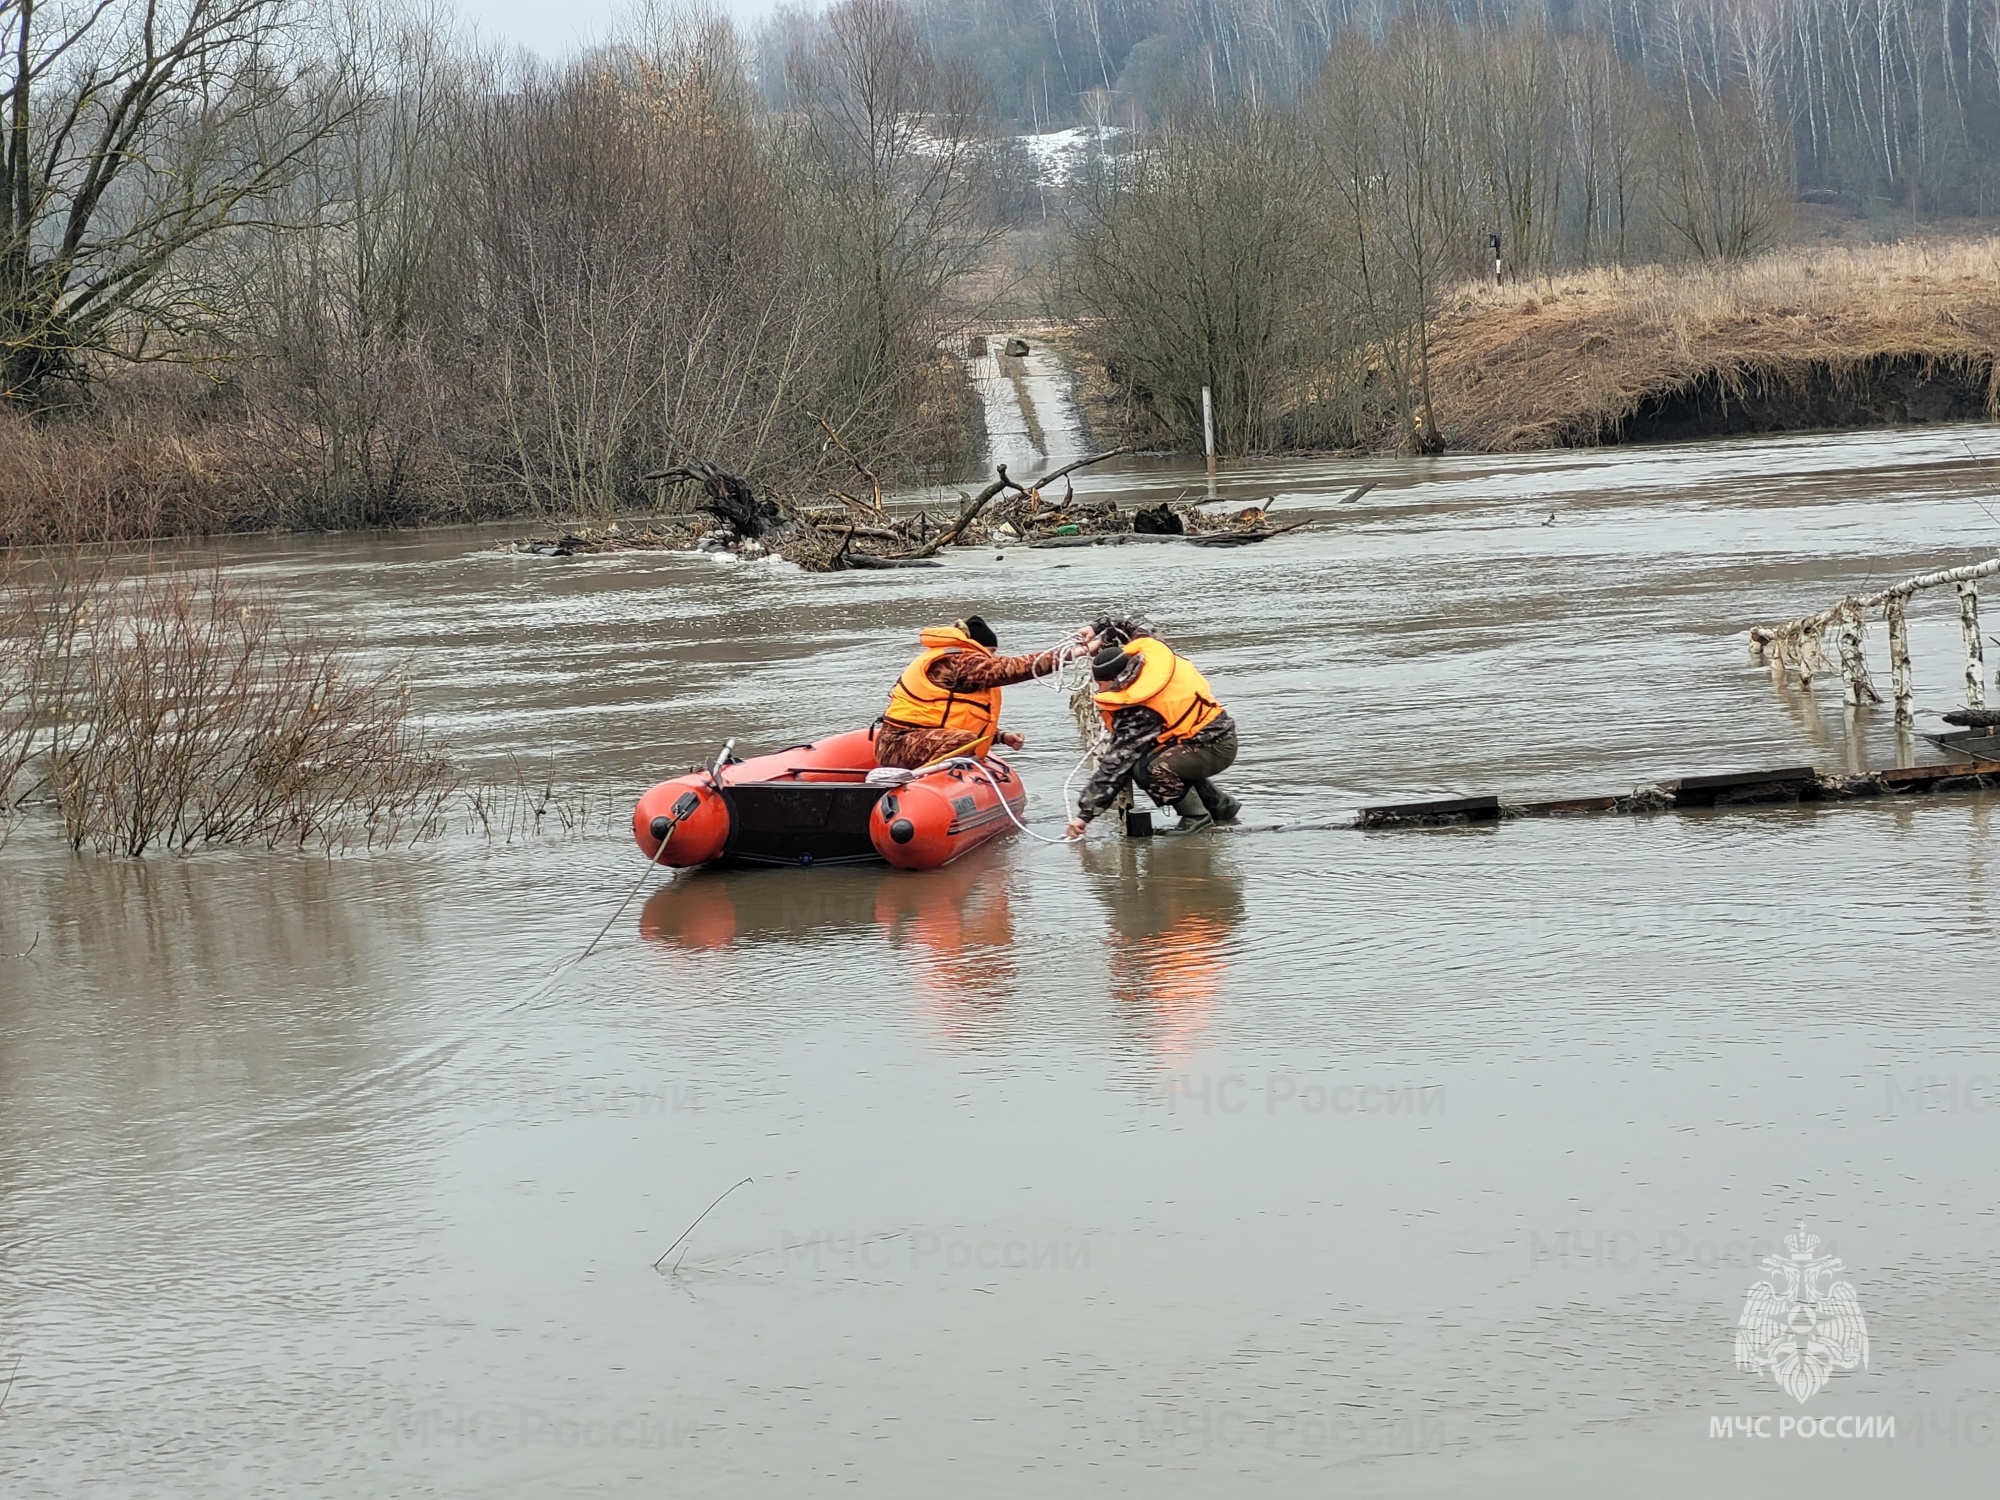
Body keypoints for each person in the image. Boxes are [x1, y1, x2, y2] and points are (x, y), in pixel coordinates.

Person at [1065, 630, 1241, 837]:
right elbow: (1135, 625)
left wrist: (1084, 816)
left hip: (1215, 746)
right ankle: (1221, 806)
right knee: (1158, 762)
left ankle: (1196, 817)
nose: (1099, 690)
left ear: (1115, 679)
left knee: (1149, 770)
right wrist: (1100, 627)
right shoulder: (1150, 661)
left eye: (1100, 684)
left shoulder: (1139, 710)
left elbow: (1115, 765)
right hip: (1204, 738)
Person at [874, 616, 1074, 770]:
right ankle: (928, 783)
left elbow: (951, 718)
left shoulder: (961, 663)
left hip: (916, 738)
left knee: (964, 738)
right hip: (899, 745)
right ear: (976, 647)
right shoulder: (957, 663)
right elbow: (1013, 668)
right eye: (991, 652)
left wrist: (1000, 737)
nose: (991, 659)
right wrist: (1070, 653)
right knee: (963, 741)